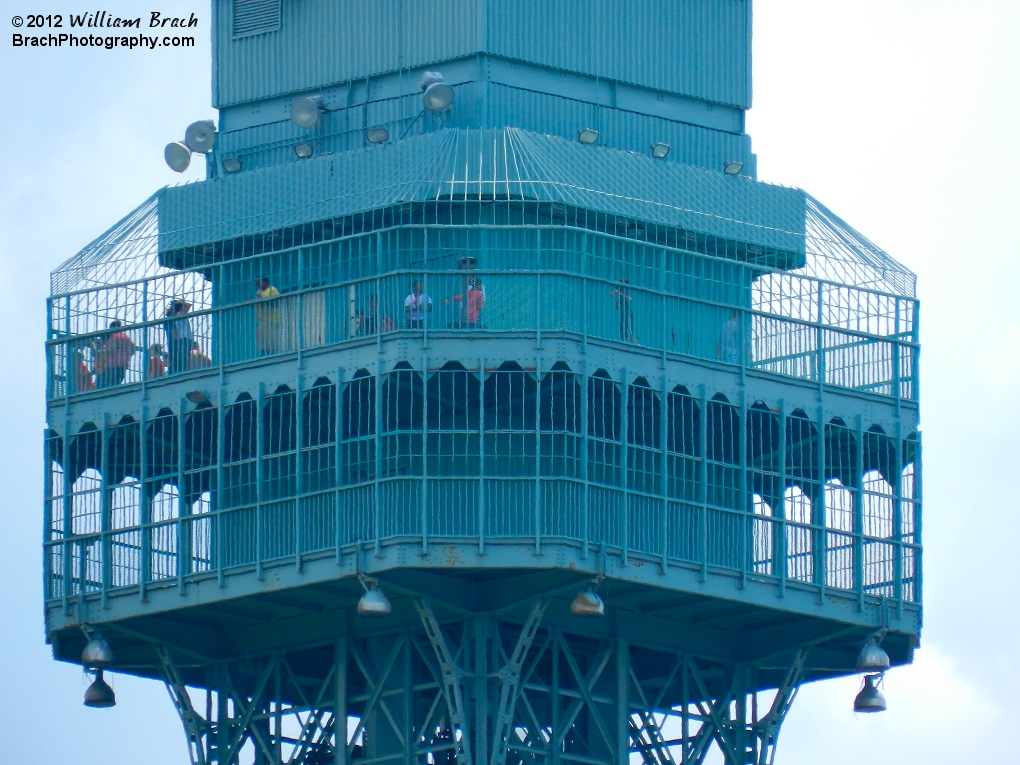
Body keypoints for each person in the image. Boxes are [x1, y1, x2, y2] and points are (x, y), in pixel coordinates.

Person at [95, 320, 138, 388]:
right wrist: (126, 356)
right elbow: (133, 349)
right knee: (115, 384)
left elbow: (113, 349)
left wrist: (102, 352)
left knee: (101, 383)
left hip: (112, 364)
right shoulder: (126, 337)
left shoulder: (114, 336)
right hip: (123, 365)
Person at [164, 299, 194, 374]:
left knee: (179, 360)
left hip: (180, 340)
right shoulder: (175, 317)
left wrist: (178, 303)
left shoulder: (179, 315)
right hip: (180, 341)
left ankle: (177, 373)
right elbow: (174, 331)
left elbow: (189, 305)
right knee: (181, 360)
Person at [255, 276, 281, 355]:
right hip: (262, 318)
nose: (257, 285)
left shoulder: (272, 290)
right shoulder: (259, 292)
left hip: (270, 318)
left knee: (269, 335)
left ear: (265, 282)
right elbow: (258, 304)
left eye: (259, 283)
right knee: (259, 335)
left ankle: (271, 351)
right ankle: (264, 351)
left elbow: (275, 303)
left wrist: (263, 300)